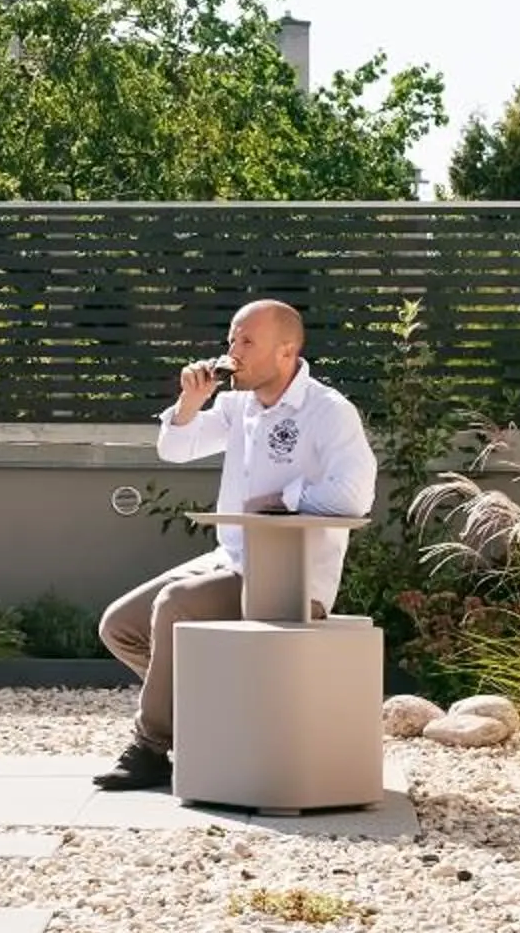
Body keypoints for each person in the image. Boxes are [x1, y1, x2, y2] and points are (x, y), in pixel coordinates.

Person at [93, 299, 377, 791]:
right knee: (121, 626)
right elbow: (175, 449)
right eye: (231, 339)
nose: (233, 352)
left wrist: (284, 500)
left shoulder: (328, 411)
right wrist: (189, 404)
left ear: (286, 351)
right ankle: (209, 715)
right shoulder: (237, 405)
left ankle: (150, 747)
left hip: (294, 578)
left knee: (176, 603)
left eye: (247, 341)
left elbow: (354, 495)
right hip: (231, 559)